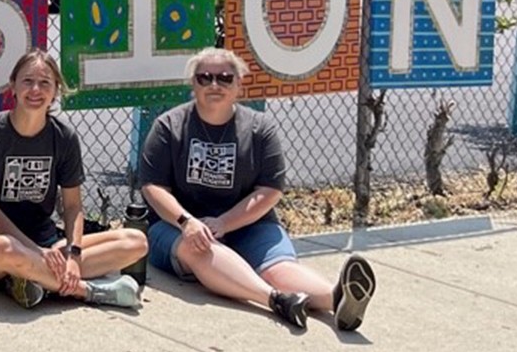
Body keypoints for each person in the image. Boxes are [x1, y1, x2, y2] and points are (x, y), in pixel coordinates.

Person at [139, 48, 376, 332]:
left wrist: (224, 223)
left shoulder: (259, 128)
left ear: (239, 85)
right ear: (193, 85)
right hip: (176, 226)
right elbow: (153, 187)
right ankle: (275, 299)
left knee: (278, 268)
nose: (214, 85)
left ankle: (337, 298)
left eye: (225, 78)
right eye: (204, 78)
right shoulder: (168, 126)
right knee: (198, 246)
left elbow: (270, 190)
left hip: (247, 224)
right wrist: (186, 222)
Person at [0, 50, 148, 309]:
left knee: (136, 242)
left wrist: (73, 255)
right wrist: (36, 252)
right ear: (12, 86)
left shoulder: (64, 137)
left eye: (45, 83)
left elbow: (73, 206)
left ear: (55, 91)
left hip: (49, 245)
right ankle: (87, 291)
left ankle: (32, 280)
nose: (35, 89)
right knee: (4, 248)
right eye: (27, 81)